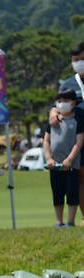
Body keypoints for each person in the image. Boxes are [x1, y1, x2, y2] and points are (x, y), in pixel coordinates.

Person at [50, 41, 84, 225]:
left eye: (82, 59)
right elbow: (56, 105)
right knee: (80, 179)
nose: (79, 63)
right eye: (75, 60)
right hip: (77, 137)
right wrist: (53, 113)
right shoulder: (69, 83)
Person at [43, 89, 84, 227]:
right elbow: (46, 141)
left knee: (72, 193)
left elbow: (79, 142)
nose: (62, 104)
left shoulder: (77, 119)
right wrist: (48, 158)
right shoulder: (53, 120)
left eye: (65, 101)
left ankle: (70, 221)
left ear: (73, 102)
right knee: (57, 193)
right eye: (59, 101)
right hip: (54, 164)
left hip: (71, 165)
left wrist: (70, 159)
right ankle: (58, 221)